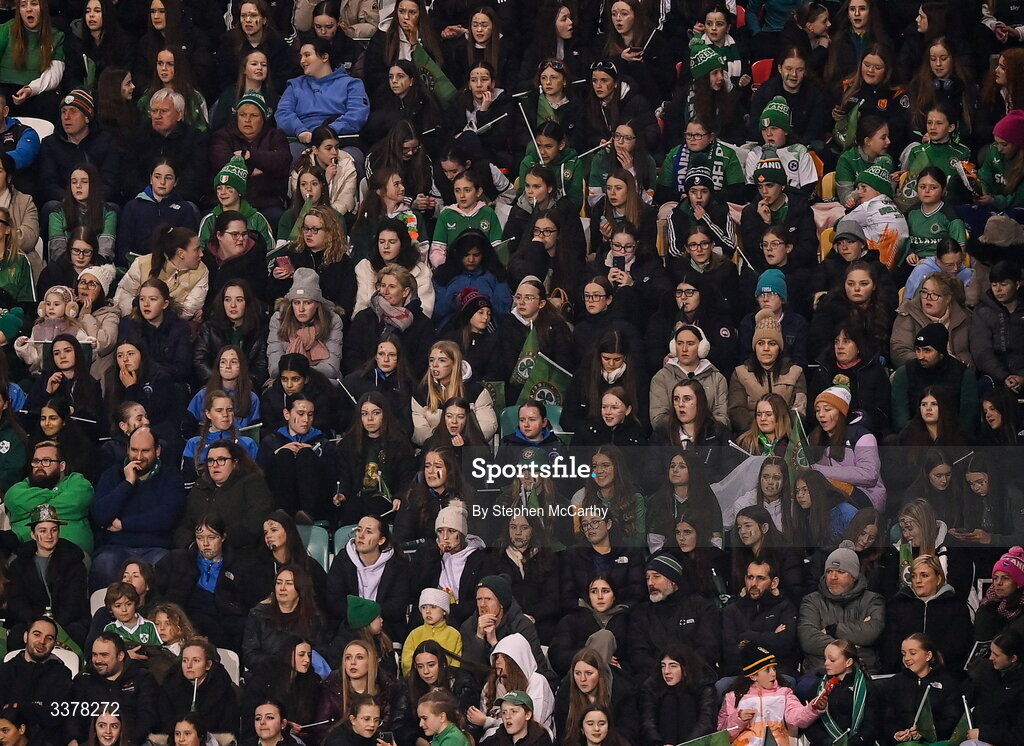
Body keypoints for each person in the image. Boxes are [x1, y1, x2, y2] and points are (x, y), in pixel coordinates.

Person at [90, 426, 185, 589]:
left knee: (164, 566)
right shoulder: (112, 474)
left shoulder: (171, 477)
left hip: (155, 547)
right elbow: (99, 515)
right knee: (104, 564)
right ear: (127, 449)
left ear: (158, 451)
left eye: (145, 451)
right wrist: (127, 483)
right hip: (115, 548)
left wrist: (124, 524)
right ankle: (106, 614)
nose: (139, 457)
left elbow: (165, 518)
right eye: (134, 450)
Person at [155, 514, 250, 650]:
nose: (205, 544)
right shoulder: (176, 560)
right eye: (200, 538)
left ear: (223, 537)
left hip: (223, 623)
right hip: (184, 617)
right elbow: (158, 591)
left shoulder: (239, 567)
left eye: (211, 538)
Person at [797, 541, 886, 685]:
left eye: (840, 572)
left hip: (862, 671)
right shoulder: (812, 601)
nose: (833, 577)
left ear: (854, 576)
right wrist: (850, 647)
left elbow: (872, 632)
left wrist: (833, 630)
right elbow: (808, 638)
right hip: (820, 671)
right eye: (829, 571)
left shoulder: (873, 600)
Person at [5, 505, 89, 646]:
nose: (49, 536)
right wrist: (37, 624)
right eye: (43, 531)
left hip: (66, 622)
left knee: (77, 630)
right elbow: (17, 601)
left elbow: (74, 600)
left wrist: (54, 625)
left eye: (53, 530)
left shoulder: (73, 560)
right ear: (33, 534)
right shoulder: (19, 564)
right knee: (17, 634)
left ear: (59, 532)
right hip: (32, 622)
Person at [174, 440, 273, 556]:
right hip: (198, 553)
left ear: (235, 463)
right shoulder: (200, 487)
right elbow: (183, 525)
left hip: (240, 552)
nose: (214, 465)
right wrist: (192, 545)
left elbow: (255, 523)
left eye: (221, 460)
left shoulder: (252, 483)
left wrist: (217, 542)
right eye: (210, 461)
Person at [629, 553, 721, 678]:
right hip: (653, 680)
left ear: (673, 580)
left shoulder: (701, 608)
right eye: (647, 578)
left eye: (656, 577)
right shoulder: (642, 613)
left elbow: (708, 649)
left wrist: (681, 671)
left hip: (693, 678)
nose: (650, 583)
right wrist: (664, 673)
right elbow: (638, 654)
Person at [880, 554, 973, 673]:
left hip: (945, 673)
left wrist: (933, 663)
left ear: (938, 579)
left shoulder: (955, 606)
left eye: (924, 575)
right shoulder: (898, 604)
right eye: (913, 576)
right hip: (903, 672)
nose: (918, 581)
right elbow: (890, 644)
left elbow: (960, 643)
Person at [718, 644, 823, 745]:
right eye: (767, 670)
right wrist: (739, 719)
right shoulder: (733, 697)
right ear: (753, 676)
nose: (773, 673)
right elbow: (723, 735)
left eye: (774, 668)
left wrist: (813, 708)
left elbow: (797, 718)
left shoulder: (784, 693)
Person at [66, 633, 161, 745]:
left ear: (120, 656)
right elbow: (73, 715)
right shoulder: (83, 680)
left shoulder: (142, 678)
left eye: (104, 655)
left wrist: (128, 741)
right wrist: (73, 739)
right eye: (95, 655)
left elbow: (148, 717)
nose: (98, 660)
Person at [327, 514, 411, 638]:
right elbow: (334, 601)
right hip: (349, 624)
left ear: (381, 540)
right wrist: (362, 619)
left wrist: (372, 619)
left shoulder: (398, 564)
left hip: (385, 625)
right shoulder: (342, 560)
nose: (361, 535)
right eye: (359, 530)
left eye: (369, 532)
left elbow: (397, 605)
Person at [809, 377, 886, 512]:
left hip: (867, 498)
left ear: (841, 412)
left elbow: (869, 474)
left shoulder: (862, 436)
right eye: (817, 410)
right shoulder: (814, 437)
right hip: (832, 496)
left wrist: (818, 470)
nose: (821, 415)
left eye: (827, 409)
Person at [890, 323, 980, 436]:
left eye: (927, 350)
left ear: (941, 352)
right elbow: (900, 418)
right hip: (914, 438)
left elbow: (968, 419)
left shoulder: (963, 374)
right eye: (918, 350)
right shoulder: (905, 373)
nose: (920, 356)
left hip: (953, 438)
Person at [125, 89, 211, 205]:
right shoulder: (138, 137)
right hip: (144, 199)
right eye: (154, 111)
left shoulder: (196, 139)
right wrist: (149, 196)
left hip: (182, 201)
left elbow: (195, 178)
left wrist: (170, 199)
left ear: (179, 114)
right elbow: (130, 174)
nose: (157, 116)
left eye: (164, 111)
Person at [6, 440, 94, 552]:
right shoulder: (25, 484)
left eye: (46, 461)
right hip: (23, 550)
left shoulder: (77, 482)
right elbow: (11, 498)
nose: (39, 466)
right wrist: (54, 493)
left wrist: (29, 512)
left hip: (68, 553)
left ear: (61, 466)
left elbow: (75, 502)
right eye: (36, 461)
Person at [38, 90, 120, 206]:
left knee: (112, 208)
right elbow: (48, 183)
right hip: (64, 203)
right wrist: (70, 201)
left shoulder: (106, 141)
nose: (66, 117)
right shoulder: (50, 144)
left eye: (73, 111)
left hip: (97, 202)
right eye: (63, 112)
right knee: (50, 206)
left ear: (87, 117)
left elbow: (110, 182)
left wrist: (91, 201)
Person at [0, 617, 74, 746]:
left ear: (54, 644)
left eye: (49, 638)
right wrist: (39, 709)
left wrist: (19, 707)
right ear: (26, 636)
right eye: (37, 634)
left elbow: (55, 717)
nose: (42, 641)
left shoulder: (62, 674)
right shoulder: (5, 671)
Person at [722, 558, 801, 678]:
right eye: (750, 577)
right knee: (721, 686)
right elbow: (730, 654)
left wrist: (746, 637)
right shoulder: (731, 611)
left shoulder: (785, 608)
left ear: (774, 583)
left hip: (778, 673)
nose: (753, 583)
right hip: (742, 675)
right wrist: (771, 636)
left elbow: (785, 646)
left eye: (761, 578)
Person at [156, 637, 240, 739]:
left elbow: (228, 728)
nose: (189, 665)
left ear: (208, 665)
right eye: (185, 660)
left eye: (196, 660)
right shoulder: (170, 685)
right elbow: (164, 723)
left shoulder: (223, 688)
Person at [649, 325, 729, 430]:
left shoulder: (717, 378)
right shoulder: (661, 378)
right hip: (672, 441)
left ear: (702, 347)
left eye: (690, 344)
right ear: (673, 347)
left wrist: (698, 430)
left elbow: (723, 419)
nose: (684, 349)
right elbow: (658, 419)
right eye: (679, 343)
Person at [803, 639, 880, 746]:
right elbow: (809, 723)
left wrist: (851, 743)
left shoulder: (867, 688)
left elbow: (872, 725)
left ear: (848, 662)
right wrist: (825, 742)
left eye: (832, 660)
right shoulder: (818, 687)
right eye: (825, 659)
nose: (826, 663)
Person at [963, 628, 1024, 745]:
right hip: (976, 731)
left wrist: (984, 734)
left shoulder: (1019, 686)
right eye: (991, 652)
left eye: (996, 655)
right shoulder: (987, 672)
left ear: (1013, 658)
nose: (991, 658)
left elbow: (1019, 734)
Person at [402, 588, 463, 676]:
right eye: (423, 607)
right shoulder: (414, 634)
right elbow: (406, 663)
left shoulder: (454, 634)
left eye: (433, 607)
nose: (427, 611)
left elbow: (456, 663)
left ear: (444, 611)